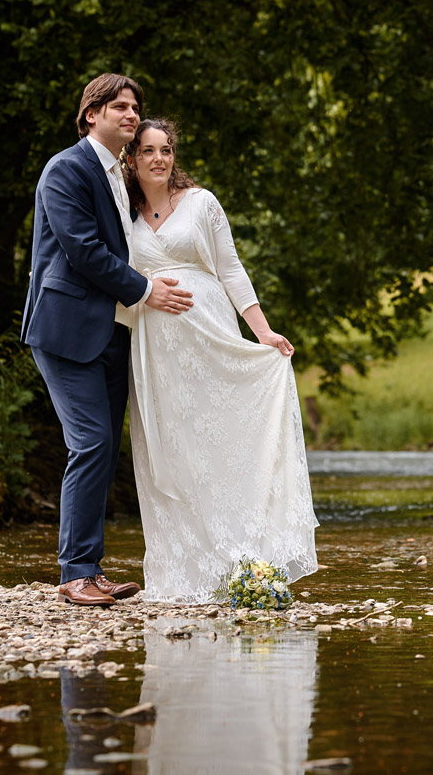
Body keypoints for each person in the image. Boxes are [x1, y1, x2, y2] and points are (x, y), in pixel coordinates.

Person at [119, 118, 318, 603]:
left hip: (209, 333)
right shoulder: (122, 212)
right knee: (172, 450)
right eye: (147, 151)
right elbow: (116, 275)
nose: (159, 159)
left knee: (219, 442)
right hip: (156, 350)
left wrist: (264, 331)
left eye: (166, 150)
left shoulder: (202, 203)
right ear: (131, 159)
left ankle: (242, 558)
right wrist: (144, 297)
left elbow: (231, 269)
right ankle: (181, 571)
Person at [22, 75, 194, 606]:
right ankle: (75, 574)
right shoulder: (66, 169)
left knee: (103, 447)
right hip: (65, 329)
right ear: (90, 114)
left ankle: (90, 568)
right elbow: (83, 250)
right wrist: (146, 291)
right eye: (118, 106)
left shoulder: (121, 176)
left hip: (112, 333)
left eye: (135, 106)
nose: (129, 113)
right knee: (90, 442)